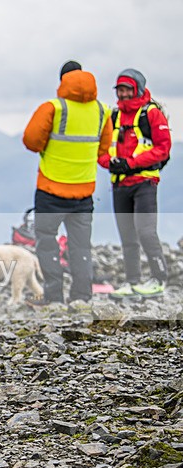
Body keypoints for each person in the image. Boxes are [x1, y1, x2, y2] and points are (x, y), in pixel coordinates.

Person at [22, 61, 112, 306]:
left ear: (62, 81)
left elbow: (31, 141)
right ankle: (82, 297)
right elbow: (104, 149)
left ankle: (53, 297)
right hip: (84, 193)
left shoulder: (52, 108)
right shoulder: (103, 111)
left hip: (51, 190)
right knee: (81, 246)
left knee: (47, 243)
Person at [99, 69, 171, 300]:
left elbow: (163, 149)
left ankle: (159, 280)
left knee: (146, 232)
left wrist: (130, 164)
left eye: (127, 89)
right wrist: (110, 163)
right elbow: (100, 150)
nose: (123, 93)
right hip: (120, 183)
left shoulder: (151, 114)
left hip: (145, 182)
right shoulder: (113, 116)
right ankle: (132, 282)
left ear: (137, 89)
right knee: (127, 236)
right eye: (120, 89)